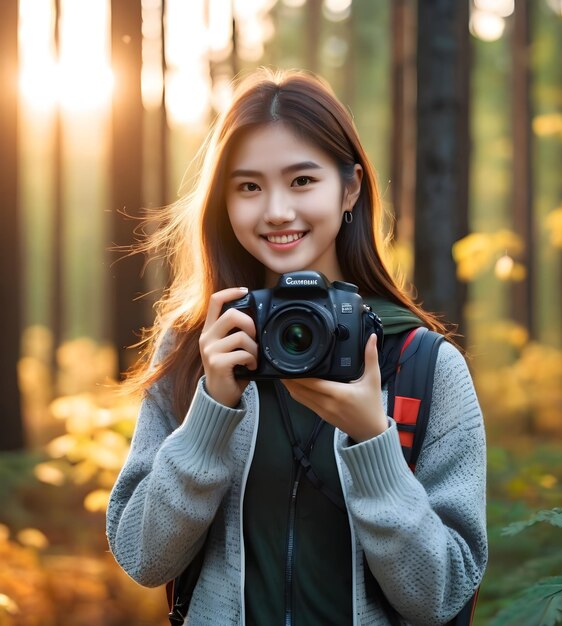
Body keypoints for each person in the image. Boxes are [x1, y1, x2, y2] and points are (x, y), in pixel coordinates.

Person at [106, 67, 487, 626]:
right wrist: (211, 414)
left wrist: (372, 442)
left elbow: (440, 595)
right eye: (249, 186)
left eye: (302, 181)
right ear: (225, 202)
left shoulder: (423, 365)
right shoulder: (196, 351)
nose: (277, 210)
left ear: (350, 187)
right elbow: (143, 557)